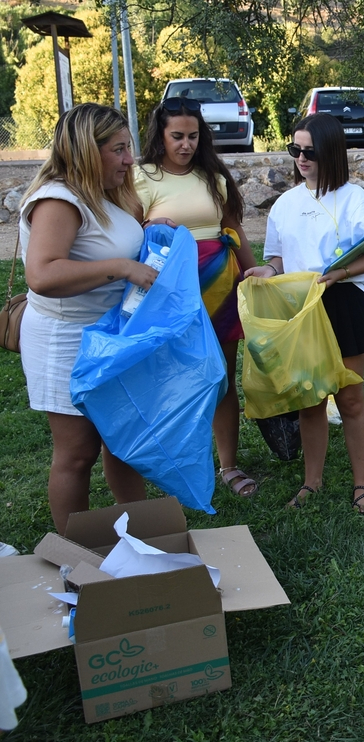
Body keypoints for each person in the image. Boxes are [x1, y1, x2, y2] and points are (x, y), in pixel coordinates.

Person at [18, 103, 149, 533]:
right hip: (67, 340)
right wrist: (123, 267)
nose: (130, 159)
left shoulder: (108, 191)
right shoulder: (59, 199)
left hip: (112, 335)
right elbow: (42, 274)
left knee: (124, 444)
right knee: (77, 453)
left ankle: (143, 537)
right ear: (86, 152)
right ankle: (76, 556)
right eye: (119, 149)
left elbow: (113, 239)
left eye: (129, 147)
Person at [246, 113, 364, 514]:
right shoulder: (285, 204)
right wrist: (268, 271)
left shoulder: (354, 197)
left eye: (310, 151)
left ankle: (361, 484)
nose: (301, 158)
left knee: (350, 398)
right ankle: (312, 482)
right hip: (300, 306)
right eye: (295, 150)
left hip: (343, 303)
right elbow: (277, 257)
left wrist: (337, 274)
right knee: (309, 400)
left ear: (331, 152)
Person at [135, 97, 258, 499]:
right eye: (177, 136)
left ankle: (228, 465)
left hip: (220, 285)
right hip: (169, 289)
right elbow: (128, 234)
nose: (185, 144)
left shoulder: (213, 177)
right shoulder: (141, 177)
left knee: (221, 377)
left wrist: (256, 274)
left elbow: (232, 227)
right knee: (174, 377)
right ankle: (178, 463)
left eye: (192, 136)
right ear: (161, 135)